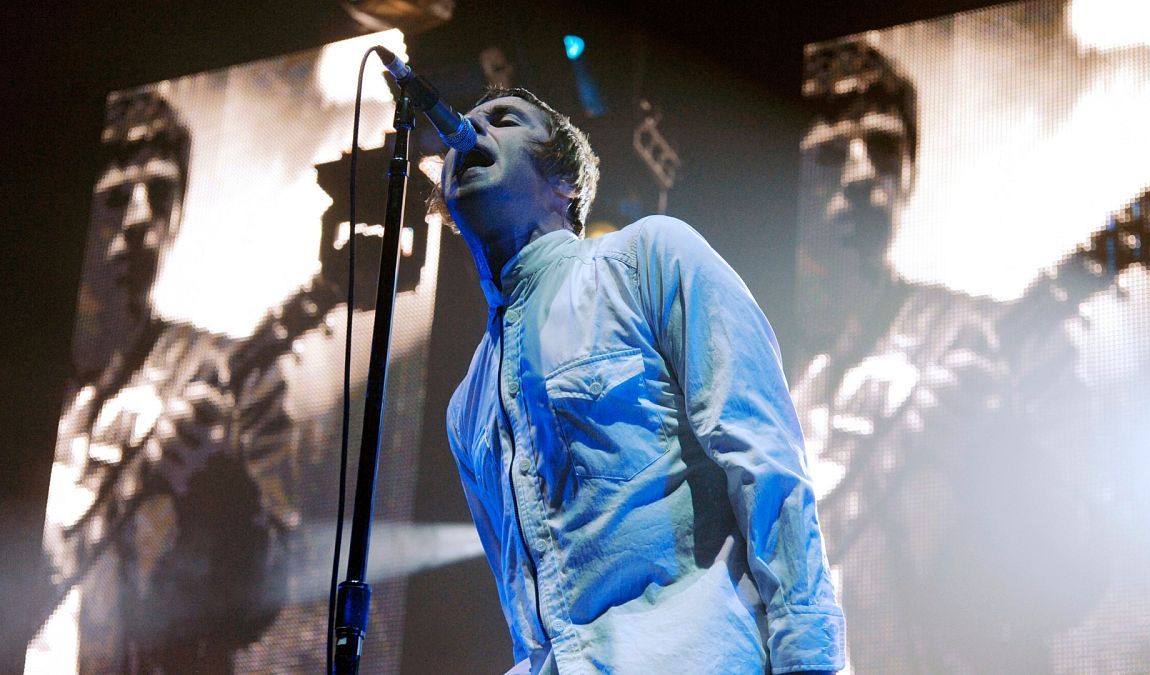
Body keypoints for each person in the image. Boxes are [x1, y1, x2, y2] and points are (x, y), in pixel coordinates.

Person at [438, 87, 845, 674]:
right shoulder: (465, 405)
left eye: (503, 121)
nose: (469, 134)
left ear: (565, 184)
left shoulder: (648, 258)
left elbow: (763, 456)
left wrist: (808, 657)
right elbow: (523, 603)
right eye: (466, 124)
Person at [792, 37, 1106, 672]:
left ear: (910, 173)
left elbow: (1077, 578)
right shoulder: (728, 362)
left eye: (883, 148)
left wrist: (1002, 457)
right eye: (828, 154)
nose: (859, 176)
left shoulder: (1002, 340)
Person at [36, 90, 297, 672]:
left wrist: (220, 482)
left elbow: (265, 598)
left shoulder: (226, 374)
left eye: (160, 193)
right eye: (114, 197)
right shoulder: (25, 380)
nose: (138, 219)